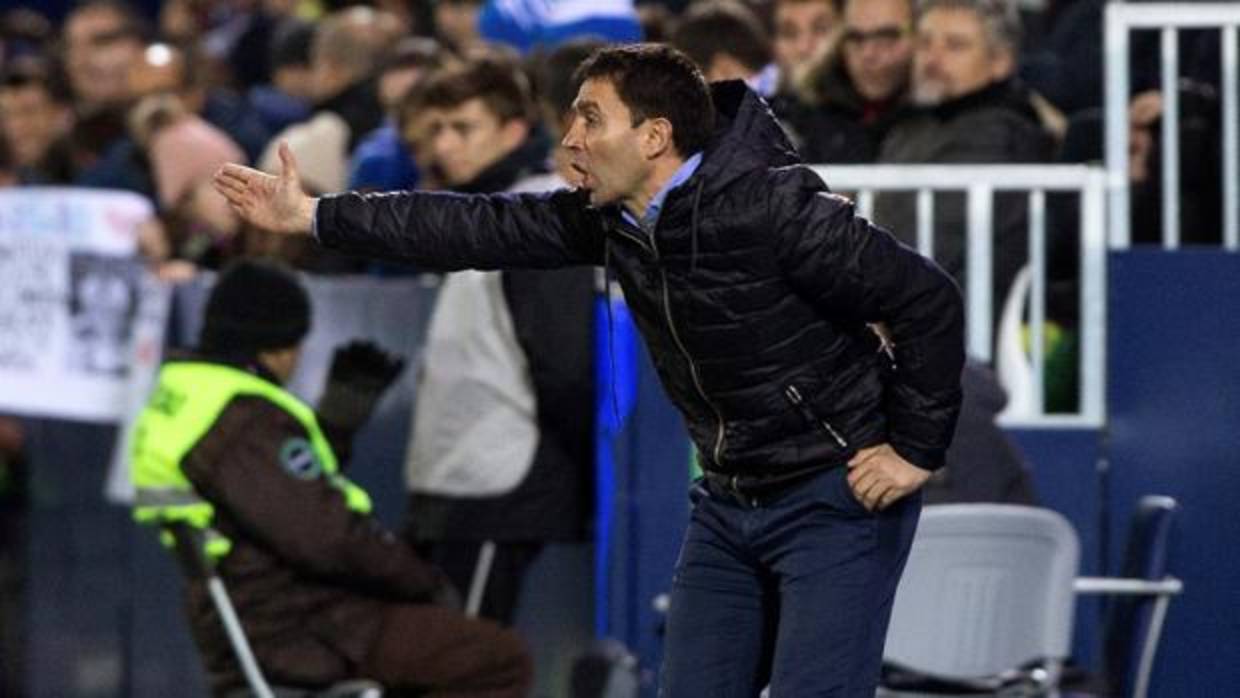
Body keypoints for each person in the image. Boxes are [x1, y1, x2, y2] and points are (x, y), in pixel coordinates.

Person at [214, 44, 965, 697]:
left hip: (834, 495)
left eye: (590, 119)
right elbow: (471, 225)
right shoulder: (610, 217)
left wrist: (914, 450)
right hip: (730, 501)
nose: (569, 139)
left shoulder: (774, 207)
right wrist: (314, 217)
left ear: (655, 136)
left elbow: (927, 300)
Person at [129, 260, 532, 697]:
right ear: (278, 350)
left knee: (434, 654)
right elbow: (323, 536)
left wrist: (333, 429)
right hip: (304, 624)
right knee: (496, 658)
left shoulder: (188, 396)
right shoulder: (244, 419)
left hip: (257, 617)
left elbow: (276, 501)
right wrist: (422, 581)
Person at [402, 54, 595, 625]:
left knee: (472, 666)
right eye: (436, 129)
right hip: (456, 478)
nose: (445, 145)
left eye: (463, 127)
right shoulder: (478, 212)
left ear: (514, 129)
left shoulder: (540, 211)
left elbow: (564, 365)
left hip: (501, 479)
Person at [775, 0, 914, 164]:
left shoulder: (938, 113)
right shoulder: (794, 117)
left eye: (887, 36)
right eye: (856, 38)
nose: (869, 53)